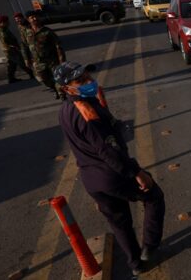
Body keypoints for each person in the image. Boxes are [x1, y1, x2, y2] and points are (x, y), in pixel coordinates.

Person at [54, 62, 165, 276]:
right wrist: (137, 173)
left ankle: (136, 263)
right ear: (67, 88)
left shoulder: (65, 110)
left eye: (87, 76)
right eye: (81, 81)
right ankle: (150, 248)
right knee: (154, 196)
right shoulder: (86, 111)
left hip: (92, 180)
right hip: (112, 175)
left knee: (119, 221)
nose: (89, 82)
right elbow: (108, 150)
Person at [27, 10, 66, 99]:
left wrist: (62, 60)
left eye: (36, 17)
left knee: (57, 77)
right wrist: (27, 59)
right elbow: (25, 46)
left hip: (52, 59)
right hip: (38, 61)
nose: (34, 19)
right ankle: (55, 88)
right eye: (32, 17)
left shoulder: (48, 31)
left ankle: (61, 93)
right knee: (43, 79)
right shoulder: (27, 32)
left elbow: (58, 46)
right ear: (29, 20)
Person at [0, 15, 34, 83]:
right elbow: (4, 41)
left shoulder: (4, 28)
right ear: (2, 22)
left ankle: (11, 78)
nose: (9, 23)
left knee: (12, 64)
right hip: (10, 50)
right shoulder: (1, 31)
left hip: (10, 49)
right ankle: (31, 74)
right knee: (21, 62)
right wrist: (13, 47)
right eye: (7, 22)